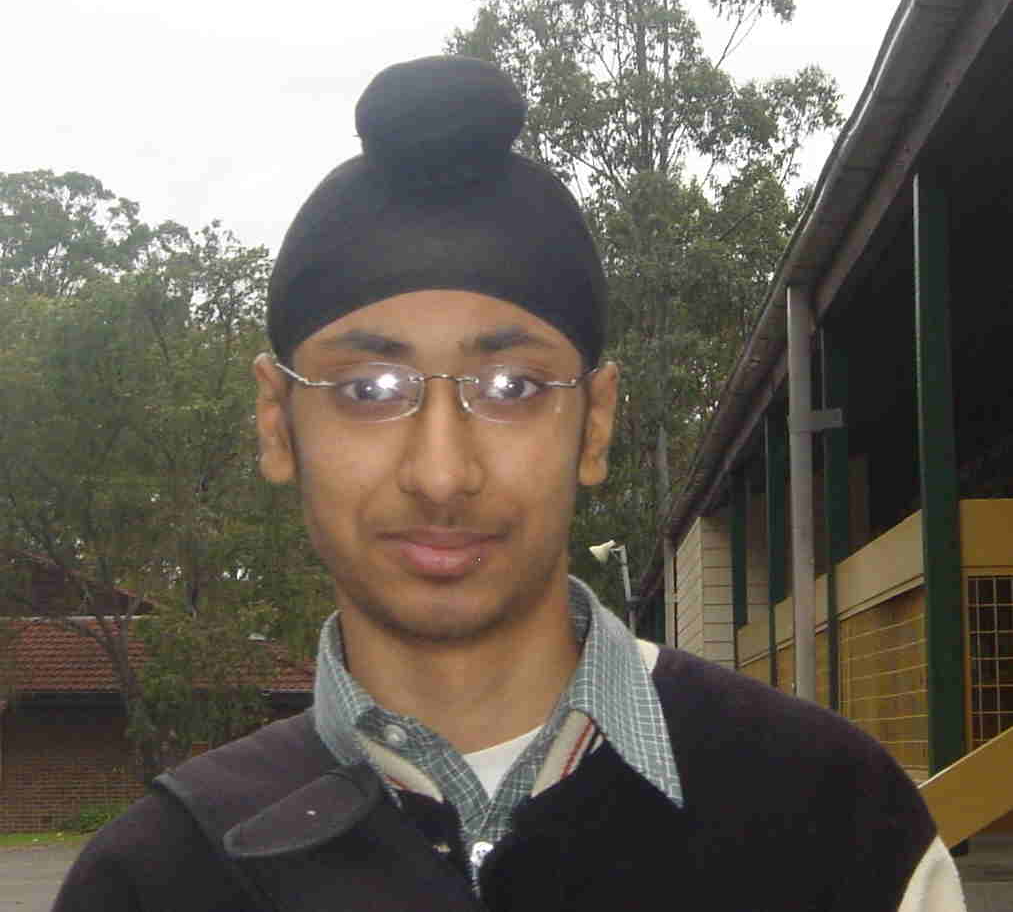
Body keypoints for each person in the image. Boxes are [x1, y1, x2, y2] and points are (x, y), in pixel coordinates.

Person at [53, 56, 965, 912]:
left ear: (594, 422)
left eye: (511, 388)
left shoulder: (836, 823)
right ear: (276, 421)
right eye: (369, 390)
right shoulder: (159, 879)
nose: (441, 474)